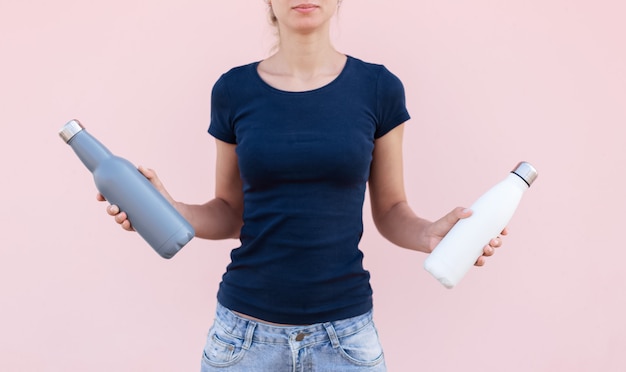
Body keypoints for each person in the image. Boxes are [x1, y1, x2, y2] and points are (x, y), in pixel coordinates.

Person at [98, 1, 506, 370]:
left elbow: (391, 210)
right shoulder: (232, 90)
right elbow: (228, 211)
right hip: (243, 341)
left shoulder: (379, 88)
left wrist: (429, 235)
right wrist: (167, 207)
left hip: (346, 340)